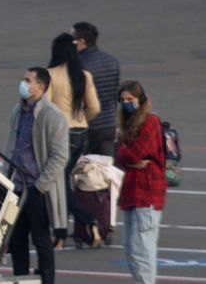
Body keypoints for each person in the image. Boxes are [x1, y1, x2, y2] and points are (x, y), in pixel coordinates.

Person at [4, 67, 68, 284]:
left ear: (40, 87)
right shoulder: (17, 110)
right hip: (17, 186)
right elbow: (12, 146)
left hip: (36, 188)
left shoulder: (52, 115)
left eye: (27, 80)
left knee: (41, 240)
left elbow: (60, 156)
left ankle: (47, 280)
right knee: (16, 240)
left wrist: (40, 186)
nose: (23, 83)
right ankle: (21, 279)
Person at [46, 32, 102, 248]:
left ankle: (76, 224)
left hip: (61, 133)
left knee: (57, 182)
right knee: (62, 180)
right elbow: (95, 106)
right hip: (80, 131)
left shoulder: (50, 75)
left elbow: (46, 108)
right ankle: (68, 229)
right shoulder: (84, 75)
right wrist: (81, 119)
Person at [116, 80, 166, 284]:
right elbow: (120, 155)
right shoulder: (128, 124)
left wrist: (125, 154)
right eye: (122, 100)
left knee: (142, 251)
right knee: (130, 251)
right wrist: (128, 157)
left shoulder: (150, 121)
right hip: (131, 193)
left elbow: (135, 152)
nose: (126, 103)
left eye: (130, 99)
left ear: (140, 99)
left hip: (147, 194)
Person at [72, 22, 121, 157]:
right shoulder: (112, 61)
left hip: (86, 127)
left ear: (81, 41)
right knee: (105, 170)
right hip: (108, 125)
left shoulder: (77, 63)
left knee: (81, 169)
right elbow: (114, 94)